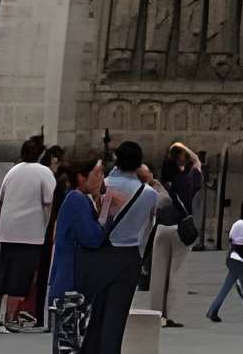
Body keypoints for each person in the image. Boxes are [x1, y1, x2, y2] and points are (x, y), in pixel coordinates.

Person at [85, 140, 158, 354]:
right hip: (129, 255)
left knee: (96, 312)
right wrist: (149, 179)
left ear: (117, 160)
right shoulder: (148, 194)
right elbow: (148, 227)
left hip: (103, 252)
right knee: (116, 316)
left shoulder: (104, 185)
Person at [0, 133, 56, 334]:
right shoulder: (43, 172)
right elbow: (49, 201)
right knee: (20, 276)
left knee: (3, 272)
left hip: (8, 228)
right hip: (30, 232)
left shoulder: (12, 171)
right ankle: (10, 318)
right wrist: (48, 226)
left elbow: (0, 200)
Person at [48, 153, 111, 354]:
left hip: (68, 285)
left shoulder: (77, 200)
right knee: (69, 344)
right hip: (71, 287)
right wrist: (104, 220)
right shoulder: (77, 200)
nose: (100, 179)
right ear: (82, 177)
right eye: (97, 174)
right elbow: (91, 237)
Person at [153, 144, 205, 327]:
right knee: (177, 272)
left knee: (159, 274)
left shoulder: (162, 181)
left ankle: (157, 314)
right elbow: (197, 163)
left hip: (162, 227)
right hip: (180, 228)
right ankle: (173, 315)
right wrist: (186, 150)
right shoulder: (187, 180)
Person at [207, 206, 243, 325]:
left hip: (234, 257)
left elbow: (231, 238)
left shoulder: (236, 224)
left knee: (226, 287)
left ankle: (213, 310)